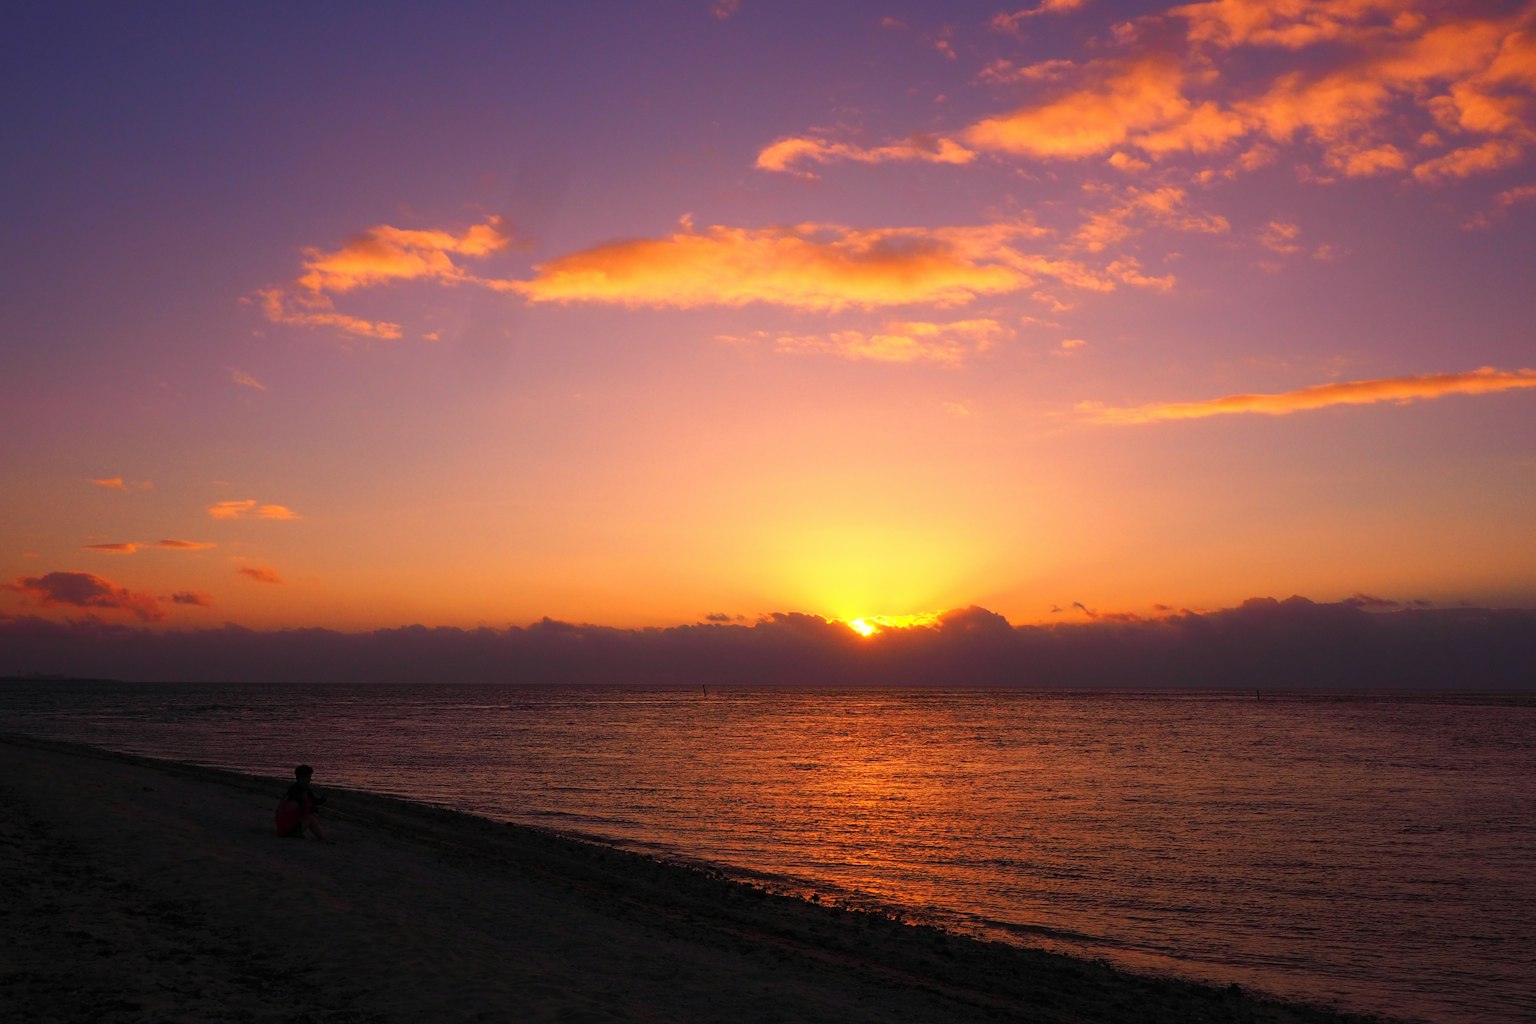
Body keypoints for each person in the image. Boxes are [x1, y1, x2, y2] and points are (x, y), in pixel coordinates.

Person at [275, 764, 333, 842]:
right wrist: (314, 809)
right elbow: (302, 808)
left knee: (309, 816)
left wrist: (322, 799)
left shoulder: (299, 789)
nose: (310, 779)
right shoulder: (297, 792)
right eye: (308, 777)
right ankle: (322, 839)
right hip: (286, 830)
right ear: (301, 777)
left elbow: (313, 801)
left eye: (310, 776)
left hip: (282, 829)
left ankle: (319, 837)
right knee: (310, 818)